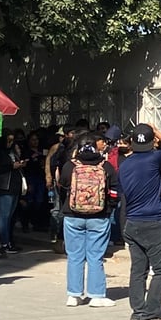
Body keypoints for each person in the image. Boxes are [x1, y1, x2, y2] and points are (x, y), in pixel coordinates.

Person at [119, 123, 161, 320]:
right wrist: (156, 131)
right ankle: (150, 315)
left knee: (138, 270)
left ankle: (137, 313)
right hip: (153, 221)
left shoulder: (126, 164)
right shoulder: (154, 158)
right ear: (150, 141)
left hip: (132, 222)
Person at [59, 132, 119, 308]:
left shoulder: (70, 166)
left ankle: (74, 295)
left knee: (75, 256)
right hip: (99, 216)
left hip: (72, 215)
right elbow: (115, 190)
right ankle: (96, 295)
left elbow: (62, 184)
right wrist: (110, 206)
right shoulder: (106, 166)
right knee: (95, 256)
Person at [0, 129, 26, 256]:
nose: (10, 142)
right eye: (8, 140)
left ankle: (9, 241)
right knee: (4, 216)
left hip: (14, 186)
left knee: (10, 216)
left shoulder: (11, 151)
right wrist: (11, 166)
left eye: (12, 140)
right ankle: (4, 243)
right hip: (4, 187)